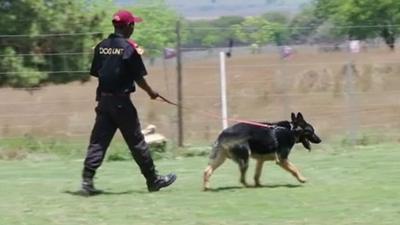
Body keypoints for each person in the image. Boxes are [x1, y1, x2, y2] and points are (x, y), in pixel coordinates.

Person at [80, 9, 176, 195]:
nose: (134, 28)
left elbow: (98, 74)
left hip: (104, 101)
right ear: (129, 26)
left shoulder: (101, 46)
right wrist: (151, 92)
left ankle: (86, 182)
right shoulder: (129, 48)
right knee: (137, 142)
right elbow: (138, 77)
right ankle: (153, 180)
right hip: (121, 103)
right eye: (133, 24)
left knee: (98, 142)